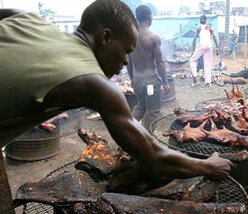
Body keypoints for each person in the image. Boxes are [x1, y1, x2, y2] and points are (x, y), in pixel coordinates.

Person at [0, 0, 234, 212]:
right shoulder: (93, 82)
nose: (125, 62)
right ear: (105, 38)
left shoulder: (30, 19)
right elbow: (153, 156)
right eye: (126, 51)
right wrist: (208, 167)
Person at [127, 5, 170, 131]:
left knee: (141, 106)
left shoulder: (130, 37)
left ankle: (129, 131)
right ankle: (147, 140)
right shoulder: (153, 37)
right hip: (150, 81)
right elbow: (160, 62)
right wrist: (165, 82)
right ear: (149, 18)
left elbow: (129, 62)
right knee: (153, 111)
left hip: (138, 79)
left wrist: (132, 79)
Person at [189, 15, 219, 87]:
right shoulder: (209, 28)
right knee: (208, 63)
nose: (200, 20)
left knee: (192, 60)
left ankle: (195, 77)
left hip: (202, 44)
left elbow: (194, 39)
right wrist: (217, 47)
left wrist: (193, 50)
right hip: (209, 45)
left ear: (203, 19)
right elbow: (214, 36)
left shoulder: (199, 28)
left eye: (200, 19)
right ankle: (208, 82)